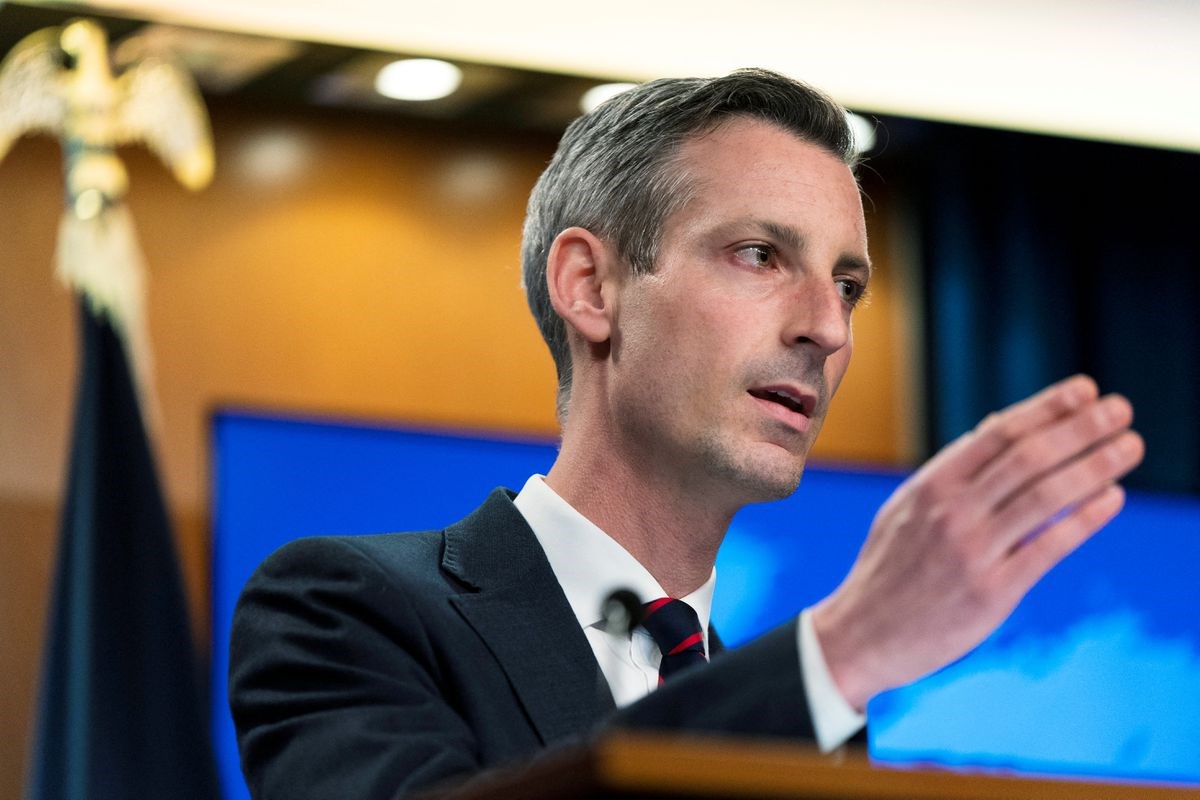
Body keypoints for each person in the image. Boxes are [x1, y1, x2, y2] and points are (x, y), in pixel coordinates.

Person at [228, 69, 1143, 799]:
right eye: (760, 255)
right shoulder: (345, 609)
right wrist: (842, 653)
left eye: (850, 285)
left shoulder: (807, 723)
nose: (828, 327)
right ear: (591, 287)